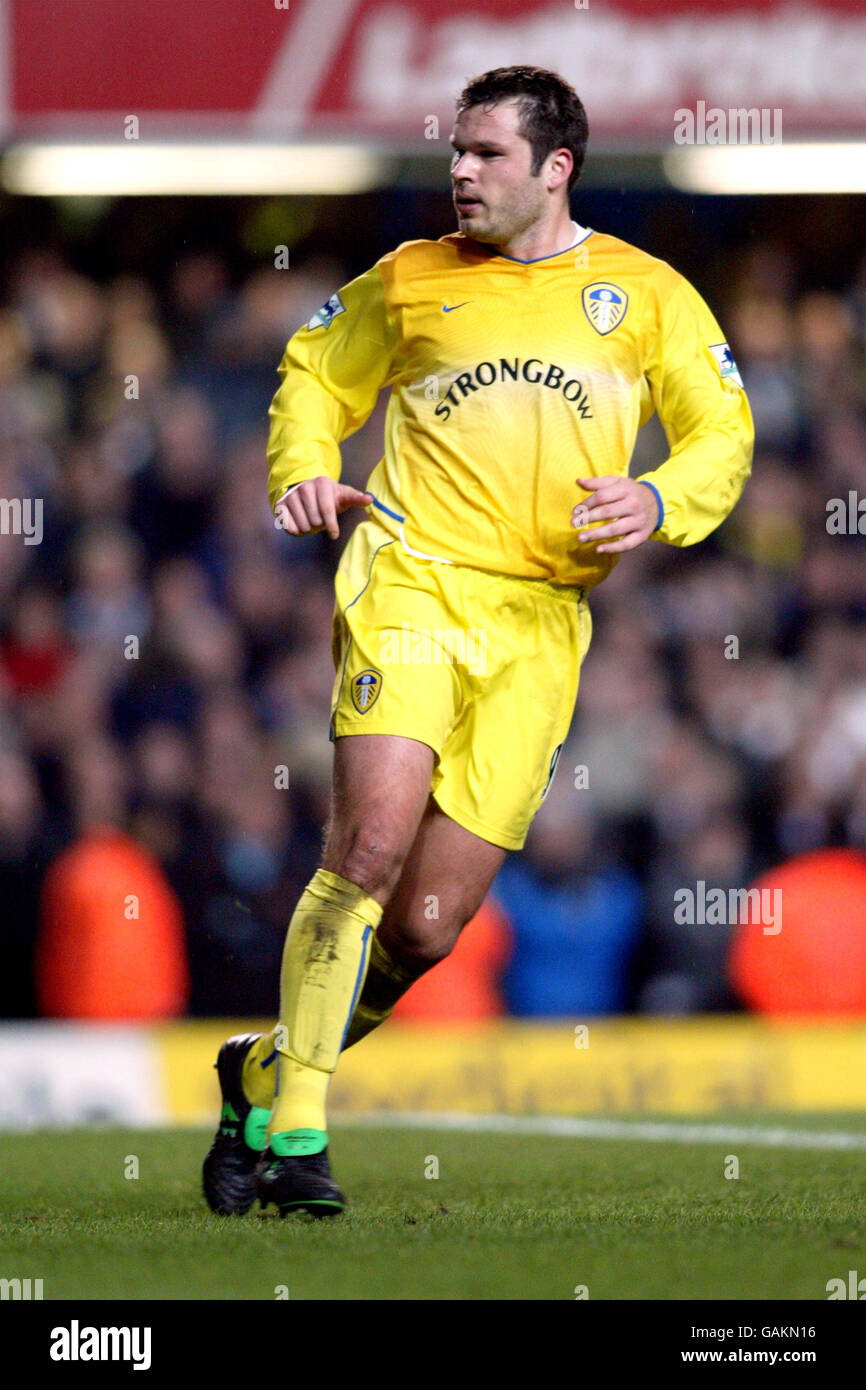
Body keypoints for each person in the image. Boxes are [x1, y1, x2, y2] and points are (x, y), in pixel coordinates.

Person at [202, 64, 754, 1217]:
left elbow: (720, 429)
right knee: (366, 846)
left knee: (428, 923)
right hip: (410, 581)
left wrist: (661, 498)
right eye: (455, 149)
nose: (459, 169)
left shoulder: (643, 293)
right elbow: (313, 373)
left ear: (555, 168)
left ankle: (259, 1071)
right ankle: (297, 1136)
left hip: (541, 625)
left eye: (487, 153)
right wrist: (304, 468)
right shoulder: (407, 283)